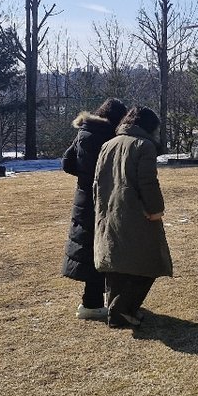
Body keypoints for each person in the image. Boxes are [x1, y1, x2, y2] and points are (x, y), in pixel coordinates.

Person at [93, 106, 173, 330]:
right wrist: (156, 209)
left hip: (109, 211)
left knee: (117, 263)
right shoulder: (144, 145)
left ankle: (117, 309)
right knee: (149, 262)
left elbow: (97, 182)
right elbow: (148, 182)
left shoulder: (108, 144)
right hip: (136, 213)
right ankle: (121, 310)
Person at [60, 98, 128, 320]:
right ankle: (92, 304)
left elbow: (67, 163)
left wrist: (84, 176)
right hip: (103, 199)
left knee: (88, 248)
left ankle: (93, 301)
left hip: (82, 199)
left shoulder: (84, 131)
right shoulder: (109, 136)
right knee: (101, 249)